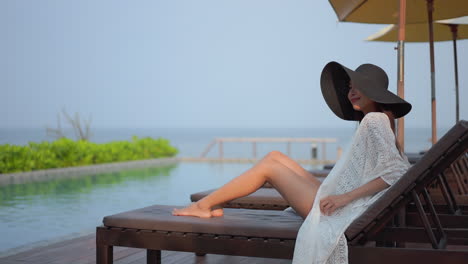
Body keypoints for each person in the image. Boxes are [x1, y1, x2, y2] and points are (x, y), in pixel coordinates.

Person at [173, 61, 412, 263]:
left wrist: (343, 198)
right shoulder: (378, 121)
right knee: (275, 156)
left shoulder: (374, 121)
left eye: (359, 87)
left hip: (345, 211)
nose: (351, 92)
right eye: (350, 87)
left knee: (269, 168)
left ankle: (203, 206)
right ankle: (210, 204)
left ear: (375, 93)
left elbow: (397, 171)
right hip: (349, 204)